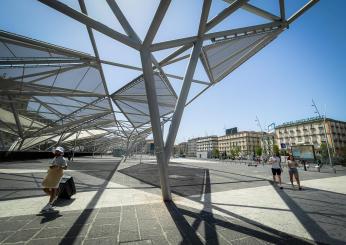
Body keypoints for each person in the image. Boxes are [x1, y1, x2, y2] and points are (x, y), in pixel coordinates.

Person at [41, 146, 68, 212]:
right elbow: (52, 165)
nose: (56, 152)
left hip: (57, 176)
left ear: (61, 152)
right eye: (56, 151)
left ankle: (50, 204)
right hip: (51, 174)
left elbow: (66, 167)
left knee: (53, 189)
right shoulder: (55, 157)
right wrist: (52, 166)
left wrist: (59, 166)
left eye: (58, 151)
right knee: (45, 188)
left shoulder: (62, 159)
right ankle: (54, 197)